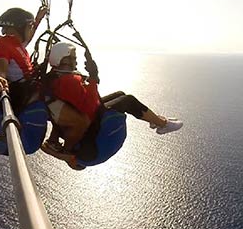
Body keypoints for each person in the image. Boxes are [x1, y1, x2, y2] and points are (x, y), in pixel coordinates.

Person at [41, 42, 183, 168]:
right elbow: (91, 105)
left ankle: (153, 120)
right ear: (63, 60)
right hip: (90, 125)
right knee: (128, 100)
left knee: (120, 94)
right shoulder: (69, 81)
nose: (75, 60)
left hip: (82, 114)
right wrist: (93, 79)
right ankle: (162, 124)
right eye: (72, 57)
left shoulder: (56, 76)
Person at [0, 8, 90, 149]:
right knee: (80, 122)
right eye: (29, 26)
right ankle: (67, 152)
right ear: (18, 28)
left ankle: (54, 140)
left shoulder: (16, 43)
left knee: (69, 97)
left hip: (35, 89)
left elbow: (29, 35)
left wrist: (38, 18)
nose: (31, 29)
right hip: (31, 96)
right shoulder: (2, 46)